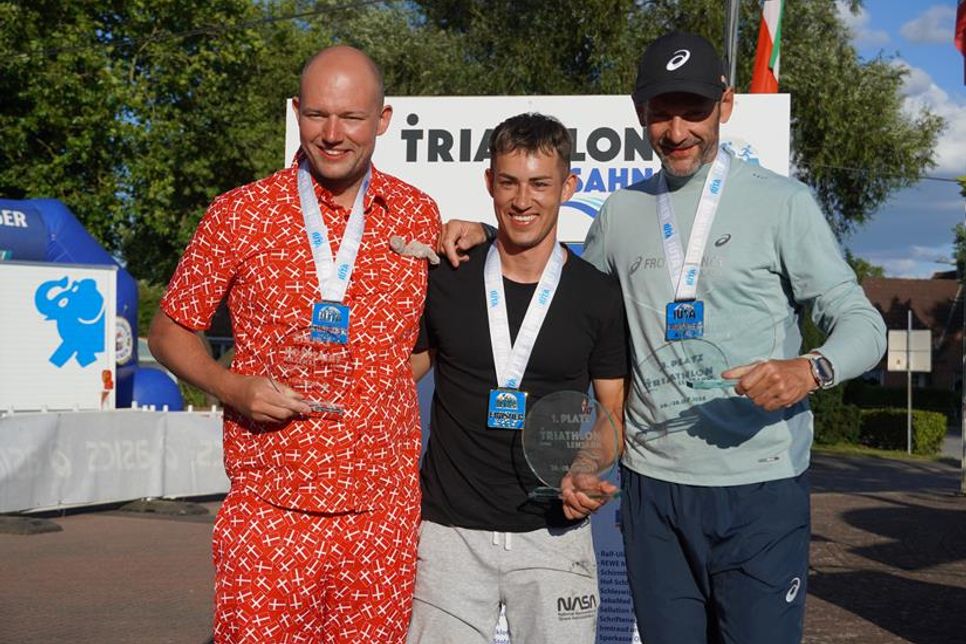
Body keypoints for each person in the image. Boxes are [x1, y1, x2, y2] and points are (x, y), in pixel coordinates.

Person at [438, 32, 886, 644]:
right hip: (654, 489)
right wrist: (489, 233)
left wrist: (809, 370)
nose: (677, 130)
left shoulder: (783, 203)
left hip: (759, 485)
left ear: (724, 106)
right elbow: (559, 287)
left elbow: (864, 325)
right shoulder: (620, 213)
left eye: (694, 110)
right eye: (661, 112)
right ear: (640, 113)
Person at [149, 46, 441, 642]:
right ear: (295, 113)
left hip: (379, 518)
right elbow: (168, 330)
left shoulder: (416, 214)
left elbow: (431, 338)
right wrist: (233, 386)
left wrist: (377, 384)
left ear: (382, 121)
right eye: (317, 115)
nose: (333, 135)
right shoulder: (240, 214)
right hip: (270, 512)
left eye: (352, 118)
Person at [407, 113, 628, 643]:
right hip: (448, 534)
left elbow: (612, 414)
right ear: (489, 183)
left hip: (552, 534)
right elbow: (394, 376)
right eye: (508, 182)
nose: (522, 200)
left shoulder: (597, 295)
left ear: (568, 187)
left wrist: (584, 466)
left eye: (539, 184)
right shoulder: (447, 278)